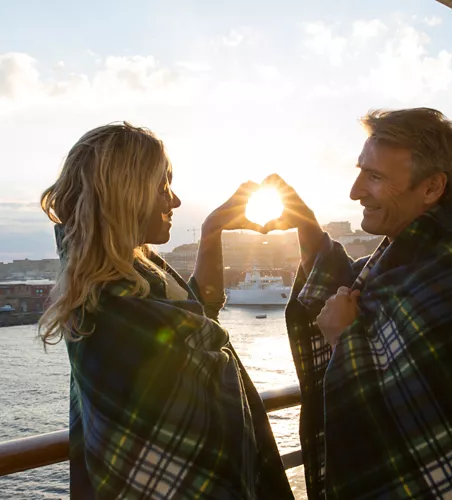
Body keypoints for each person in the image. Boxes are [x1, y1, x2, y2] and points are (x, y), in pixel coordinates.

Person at [263, 108, 452, 499]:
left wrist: (344, 338)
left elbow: (394, 413)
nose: (355, 190)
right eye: (361, 170)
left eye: (375, 177)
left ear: (432, 188)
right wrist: (306, 223)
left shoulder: (445, 279)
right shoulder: (415, 258)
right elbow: (353, 281)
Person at [38, 122, 293, 499]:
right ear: (126, 195)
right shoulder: (112, 307)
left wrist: (212, 232)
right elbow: (197, 362)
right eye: (162, 187)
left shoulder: (136, 277)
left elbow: (196, 317)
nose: (174, 201)